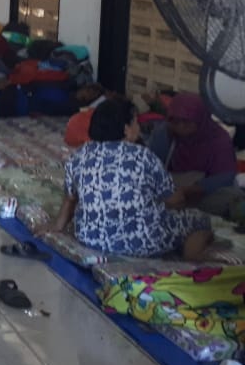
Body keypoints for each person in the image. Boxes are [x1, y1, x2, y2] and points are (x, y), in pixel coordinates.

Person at [41, 99, 214, 261]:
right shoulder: (143, 156)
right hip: (142, 242)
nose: (138, 127)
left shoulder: (79, 156)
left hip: (91, 238)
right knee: (199, 219)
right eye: (135, 122)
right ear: (126, 129)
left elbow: (70, 199)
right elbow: (173, 199)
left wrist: (58, 226)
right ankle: (193, 262)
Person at [147, 93, 239, 212]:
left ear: (200, 119)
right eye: (175, 121)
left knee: (229, 200)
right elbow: (151, 166)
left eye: (186, 122)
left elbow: (224, 177)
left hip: (205, 194)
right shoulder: (164, 133)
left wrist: (187, 190)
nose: (180, 127)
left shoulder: (219, 140)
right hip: (169, 192)